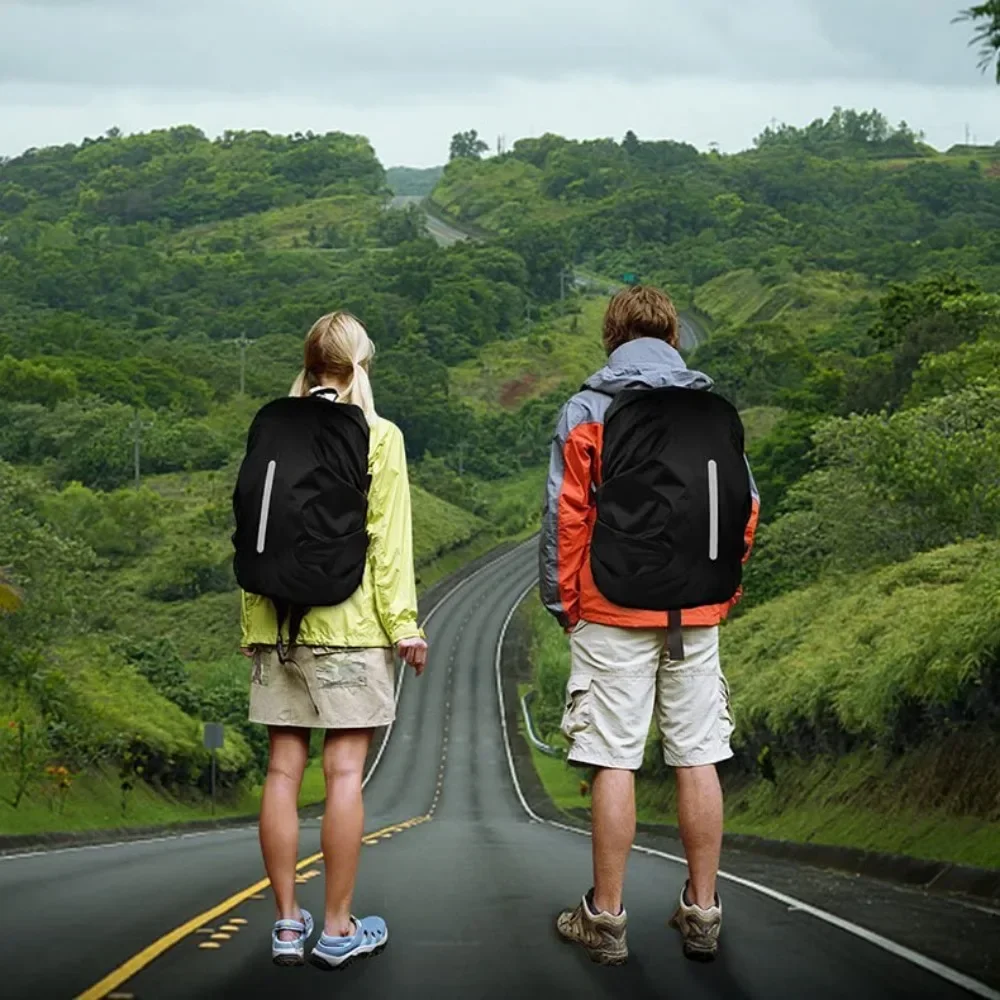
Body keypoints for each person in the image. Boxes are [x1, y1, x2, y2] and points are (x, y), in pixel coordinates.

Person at [539, 285, 759, 966]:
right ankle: (702, 912)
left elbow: (565, 517)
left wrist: (564, 603)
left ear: (612, 337)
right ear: (673, 337)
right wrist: (721, 589)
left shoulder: (589, 407)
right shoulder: (712, 411)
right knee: (697, 753)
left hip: (611, 606)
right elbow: (746, 508)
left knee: (613, 759)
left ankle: (605, 919)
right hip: (697, 607)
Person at [239, 311, 428, 969]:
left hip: (276, 625)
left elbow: (253, 526)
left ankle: (286, 925)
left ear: (311, 363)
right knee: (344, 773)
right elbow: (388, 544)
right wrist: (404, 628)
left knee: (282, 771)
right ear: (359, 366)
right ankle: (338, 928)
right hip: (349, 629)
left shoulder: (271, 427)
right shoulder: (377, 435)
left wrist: (251, 626)